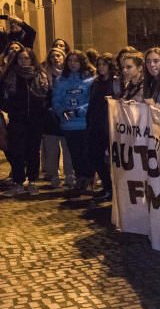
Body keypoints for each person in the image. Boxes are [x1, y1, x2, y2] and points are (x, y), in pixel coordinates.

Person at [0, 47, 49, 195]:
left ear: (32, 59)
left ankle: (32, 181)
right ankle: (18, 181)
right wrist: (9, 108)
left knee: (33, 151)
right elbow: (3, 96)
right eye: (20, 58)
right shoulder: (10, 75)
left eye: (26, 58)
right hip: (17, 119)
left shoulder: (39, 75)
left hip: (35, 119)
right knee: (17, 151)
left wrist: (42, 109)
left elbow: (46, 96)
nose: (23, 61)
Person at [52, 50, 97, 194]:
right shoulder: (61, 80)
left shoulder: (91, 80)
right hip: (68, 125)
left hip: (84, 123)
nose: (73, 64)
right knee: (75, 154)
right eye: (70, 60)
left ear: (82, 62)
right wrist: (61, 112)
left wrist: (78, 111)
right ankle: (80, 179)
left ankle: (90, 179)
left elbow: (93, 101)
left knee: (86, 153)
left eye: (76, 61)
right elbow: (56, 100)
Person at [86, 53, 120, 202]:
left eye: (104, 65)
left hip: (109, 124)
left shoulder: (115, 82)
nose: (100, 68)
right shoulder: (96, 82)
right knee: (96, 157)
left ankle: (113, 190)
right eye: (99, 65)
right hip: (95, 123)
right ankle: (107, 186)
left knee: (111, 159)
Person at [41, 47, 74, 189]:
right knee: (51, 148)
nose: (56, 58)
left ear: (64, 57)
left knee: (68, 147)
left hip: (67, 115)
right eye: (53, 56)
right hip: (50, 116)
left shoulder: (70, 74)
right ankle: (54, 175)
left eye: (59, 55)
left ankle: (69, 175)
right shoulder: (44, 74)